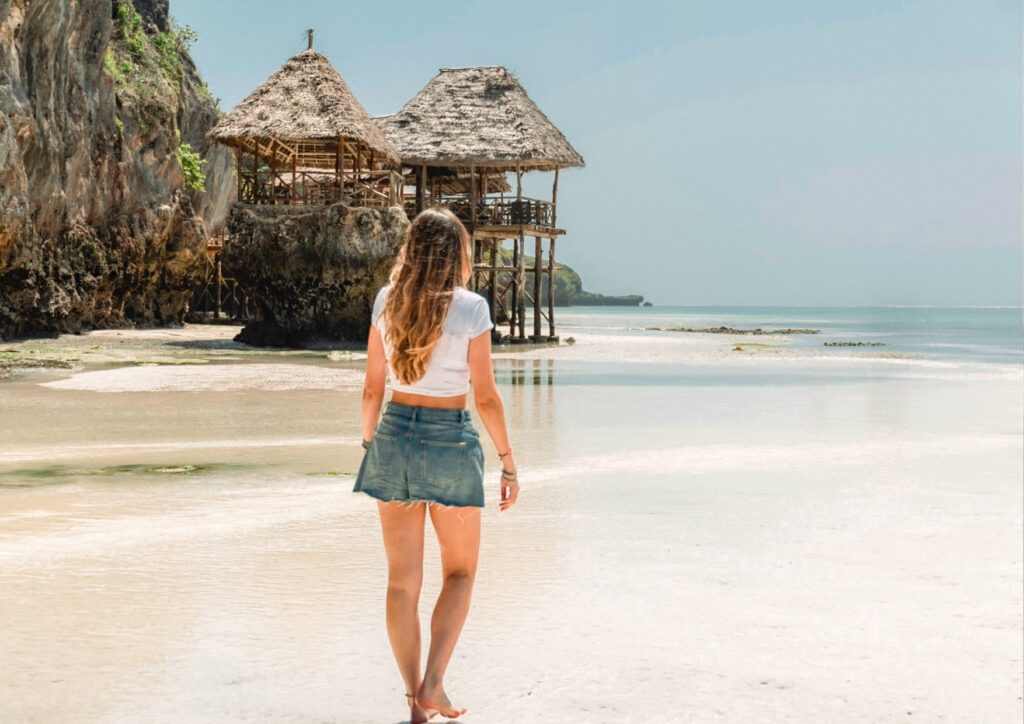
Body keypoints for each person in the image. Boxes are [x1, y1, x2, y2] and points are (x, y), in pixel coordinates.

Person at [353, 207, 520, 723]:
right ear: (458, 254)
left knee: (402, 582)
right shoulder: (471, 308)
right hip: (450, 440)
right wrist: (509, 464)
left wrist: (370, 444)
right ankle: (434, 684)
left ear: (413, 248)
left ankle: (414, 704)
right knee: (461, 572)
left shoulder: (387, 301)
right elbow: (486, 397)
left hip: (393, 436)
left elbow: (372, 388)